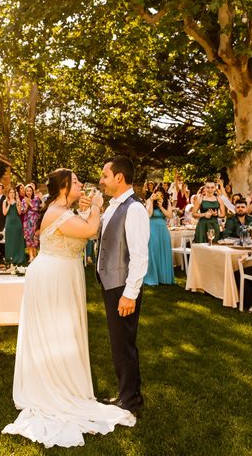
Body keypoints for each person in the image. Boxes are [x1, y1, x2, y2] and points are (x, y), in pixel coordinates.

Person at [2, 169, 135, 448]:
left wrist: (87, 211)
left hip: (63, 274)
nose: (81, 185)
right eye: (75, 182)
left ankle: (65, 380)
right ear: (64, 186)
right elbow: (88, 231)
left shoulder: (63, 210)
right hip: (55, 277)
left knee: (63, 334)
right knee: (56, 333)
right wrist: (97, 207)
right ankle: (56, 385)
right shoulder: (57, 211)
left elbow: (79, 230)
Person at [96, 155, 149, 416]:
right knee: (119, 344)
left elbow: (139, 256)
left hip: (122, 288)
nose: (101, 180)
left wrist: (129, 294)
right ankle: (126, 393)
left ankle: (131, 400)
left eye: (105, 176)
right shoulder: (113, 206)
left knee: (124, 344)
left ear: (119, 177)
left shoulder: (134, 209)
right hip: (111, 285)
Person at [144, 186, 174, 286]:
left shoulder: (167, 202)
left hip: (163, 229)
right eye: (157, 194)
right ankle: (152, 277)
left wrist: (161, 207)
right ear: (154, 193)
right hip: (152, 228)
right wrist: (152, 202)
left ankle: (163, 277)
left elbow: (169, 215)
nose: (159, 196)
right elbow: (148, 215)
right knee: (153, 251)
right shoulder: (149, 200)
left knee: (163, 250)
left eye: (161, 195)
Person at [2, 188, 26, 265]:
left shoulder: (18, 201)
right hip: (9, 223)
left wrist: (18, 204)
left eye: (13, 193)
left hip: (17, 223)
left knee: (17, 241)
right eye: (10, 192)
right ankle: (10, 258)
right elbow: (4, 213)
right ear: (8, 194)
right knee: (10, 241)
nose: (12, 194)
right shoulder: (5, 202)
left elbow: (19, 213)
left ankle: (19, 258)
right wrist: (9, 204)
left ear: (15, 194)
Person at [20, 184, 41, 262]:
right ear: (25, 192)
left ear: (32, 191)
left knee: (35, 239)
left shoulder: (36, 199)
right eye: (27, 191)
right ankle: (31, 257)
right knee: (28, 239)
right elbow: (23, 211)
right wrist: (26, 205)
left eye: (30, 191)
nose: (29, 192)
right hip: (27, 221)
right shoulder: (23, 200)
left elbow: (36, 209)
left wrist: (29, 203)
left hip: (35, 221)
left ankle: (36, 257)